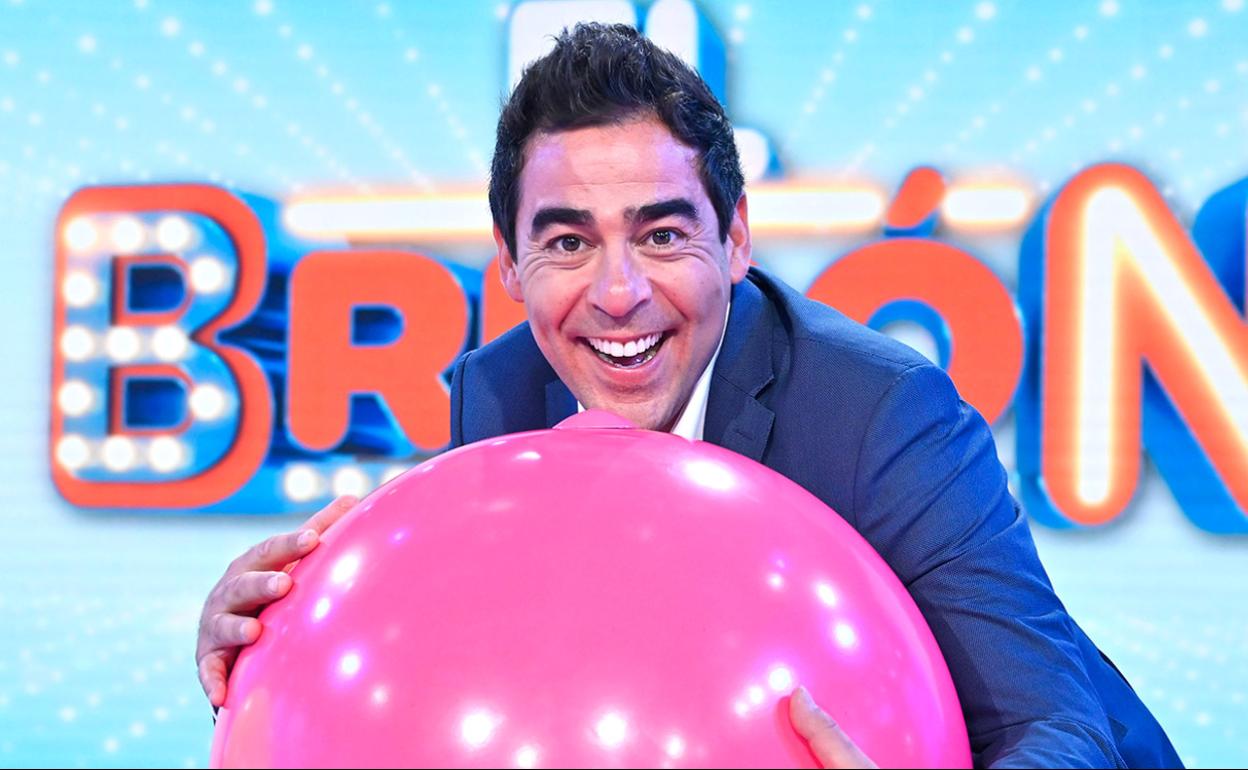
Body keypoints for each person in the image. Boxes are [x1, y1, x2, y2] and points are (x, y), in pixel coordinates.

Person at [196, 23, 1182, 768]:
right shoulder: (501, 398)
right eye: (568, 241)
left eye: (662, 234)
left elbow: (1058, 726)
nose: (618, 293)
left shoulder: (884, 417)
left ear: (737, 238)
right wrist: (270, 639)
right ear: (509, 263)